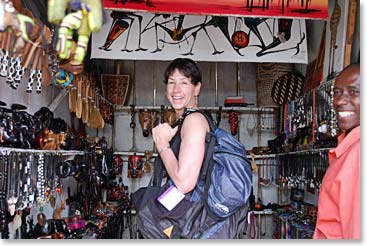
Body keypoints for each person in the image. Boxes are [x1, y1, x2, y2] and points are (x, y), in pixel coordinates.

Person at [313, 64, 360, 239]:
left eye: (353, 92)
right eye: (337, 93)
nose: (339, 101)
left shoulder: (358, 155)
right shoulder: (347, 148)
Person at [151, 57, 210, 194]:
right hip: (188, 212)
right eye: (171, 82)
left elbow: (184, 184)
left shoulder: (193, 121)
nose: (176, 90)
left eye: (184, 83)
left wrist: (163, 144)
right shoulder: (185, 120)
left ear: (196, 88)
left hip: (195, 213)